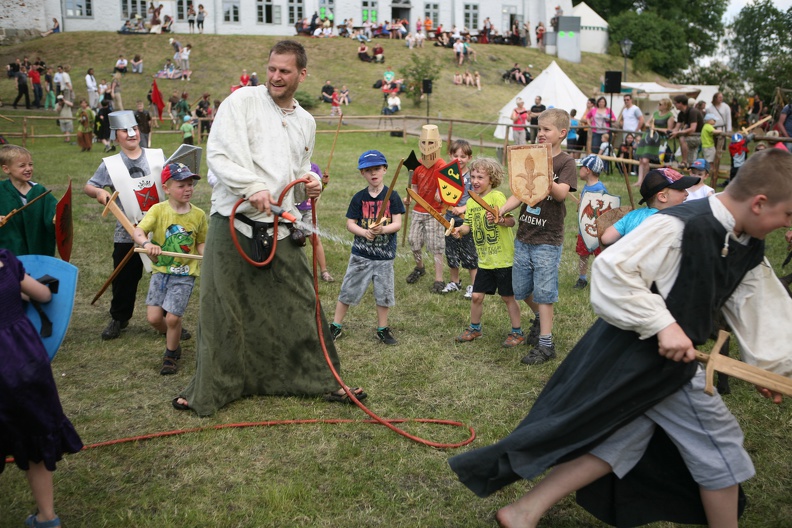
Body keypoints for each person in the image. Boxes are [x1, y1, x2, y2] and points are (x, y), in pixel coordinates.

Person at [450, 149, 792, 528]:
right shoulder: (680, 226)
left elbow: (755, 302)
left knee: (625, 437)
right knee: (722, 448)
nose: (787, 227)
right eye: (788, 215)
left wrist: (772, 367)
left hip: (657, 365)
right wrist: (663, 325)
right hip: (653, 363)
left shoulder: (746, 241)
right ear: (759, 203)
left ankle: (523, 512)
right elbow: (612, 271)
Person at [173, 40, 366, 415]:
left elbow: (298, 169)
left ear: (302, 74)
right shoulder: (242, 101)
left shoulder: (306, 121)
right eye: (272, 69)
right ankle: (212, 390)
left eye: (285, 71)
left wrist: (311, 184)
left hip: (280, 226)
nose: (276, 77)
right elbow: (220, 154)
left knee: (302, 303)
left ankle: (323, 381)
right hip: (232, 224)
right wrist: (252, 187)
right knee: (222, 311)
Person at [0, 248, 83, 528]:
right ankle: (48, 518)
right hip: (25, 364)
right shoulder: (6, 261)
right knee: (34, 436)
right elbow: (44, 295)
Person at [499, 108, 577, 365]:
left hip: (548, 238)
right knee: (521, 289)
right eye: (539, 129)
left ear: (561, 133)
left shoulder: (566, 162)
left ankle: (546, 344)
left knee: (544, 291)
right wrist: (502, 210)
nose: (540, 133)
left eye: (546, 129)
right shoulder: (530, 153)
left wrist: (544, 167)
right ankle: (538, 318)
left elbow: (561, 194)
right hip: (525, 234)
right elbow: (520, 190)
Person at [83, 110, 167, 340]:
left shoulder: (157, 157)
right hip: (126, 232)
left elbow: (172, 179)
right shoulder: (109, 164)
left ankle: (169, 319)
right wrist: (99, 191)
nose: (131, 134)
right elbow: (90, 186)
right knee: (124, 280)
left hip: (160, 229)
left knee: (165, 275)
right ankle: (119, 318)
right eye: (125, 131)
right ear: (116, 136)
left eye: (134, 129)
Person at [133, 163, 207, 375]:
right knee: (154, 319)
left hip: (184, 275)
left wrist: (204, 252)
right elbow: (139, 232)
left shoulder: (199, 215)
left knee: (173, 317)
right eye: (181, 185)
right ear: (166, 188)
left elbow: (200, 242)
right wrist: (147, 245)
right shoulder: (158, 210)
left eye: (190, 185)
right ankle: (172, 334)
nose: (188, 189)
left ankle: (171, 354)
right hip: (161, 272)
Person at [330, 150, 405, 345]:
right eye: (368, 170)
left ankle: (382, 329)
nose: (374, 173)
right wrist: (364, 233)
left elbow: (397, 224)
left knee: (384, 293)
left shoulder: (393, 197)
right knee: (348, 289)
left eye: (377, 169)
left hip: (384, 256)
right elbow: (350, 224)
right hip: (361, 255)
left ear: (385, 170)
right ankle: (336, 325)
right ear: (362, 173)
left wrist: (382, 230)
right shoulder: (359, 198)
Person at [451, 156, 523, 348]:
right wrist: (460, 230)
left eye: (480, 177)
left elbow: (511, 221)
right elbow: (468, 226)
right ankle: (475, 328)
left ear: (491, 179)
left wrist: (500, 220)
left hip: (503, 259)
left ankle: (517, 332)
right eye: (473, 176)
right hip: (484, 260)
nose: (475, 180)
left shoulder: (497, 197)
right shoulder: (472, 202)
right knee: (476, 296)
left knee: (508, 297)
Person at [601, 168, 698, 245]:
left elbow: (606, 238)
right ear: (662, 197)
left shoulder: (632, 215)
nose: (686, 193)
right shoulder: (670, 221)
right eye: (681, 189)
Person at [405, 125, 447, 293]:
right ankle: (420, 267)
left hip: (435, 212)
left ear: (438, 143)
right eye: (424, 142)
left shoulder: (442, 165)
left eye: (431, 142)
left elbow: (449, 188)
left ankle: (439, 279)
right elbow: (414, 186)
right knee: (413, 241)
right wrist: (411, 196)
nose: (428, 145)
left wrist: (441, 192)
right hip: (418, 210)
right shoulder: (417, 165)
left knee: (436, 245)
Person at [0, 145, 57, 256]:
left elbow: (55, 212)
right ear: (6, 169)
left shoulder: (39, 191)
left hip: (37, 248)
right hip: (9, 249)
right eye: (22, 166)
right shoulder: (1, 190)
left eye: (30, 164)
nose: (28, 168)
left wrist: (56, 217)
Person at [441, 140, 477, 298]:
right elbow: (440, 193)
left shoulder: (472, 177)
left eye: (463, 156)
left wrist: (463, 208)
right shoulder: (447, 174)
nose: (459, 159)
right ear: (450, 155)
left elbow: (477, 198)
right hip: (449, 220)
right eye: (456, 155)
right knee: (451, 252)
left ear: (469, 157)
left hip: (466, 221)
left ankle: (475, 285)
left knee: (469, 253)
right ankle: (455, 282)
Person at [573, 155, 607, 289]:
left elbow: (603, 210)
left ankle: (601, 280)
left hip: (596, 232)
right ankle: (582, 278)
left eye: (581, 167)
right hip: (584, 230)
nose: (579, 170)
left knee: (599, 256)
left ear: (587, 170)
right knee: (583, 254)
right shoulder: (587, 187)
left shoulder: (600, 189)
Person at [636, 98, 675, 187]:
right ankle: (639, 181)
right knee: (642, 159)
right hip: (648, 137)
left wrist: (656, 129)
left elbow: (669, 129)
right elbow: (647, 123)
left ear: (666, 105)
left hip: (658, 140)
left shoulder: (670, 115)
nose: (659, 105)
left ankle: (645, 181)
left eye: (660, 104)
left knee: (646, 160)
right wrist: (650, 126)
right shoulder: (655, 113)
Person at [669, 94, 703, 168]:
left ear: (680, 103)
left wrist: (678, 133)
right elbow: (676, 128)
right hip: (690, 137)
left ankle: (684, 162)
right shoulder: (681, 114)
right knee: (692, 161)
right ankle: (691, 169)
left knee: (682, 138)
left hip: (697, 137)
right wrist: (670, 132)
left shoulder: (692, 111)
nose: (675, 105)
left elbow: (692, 129)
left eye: (675, 103)